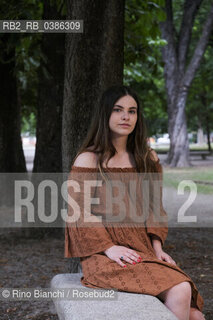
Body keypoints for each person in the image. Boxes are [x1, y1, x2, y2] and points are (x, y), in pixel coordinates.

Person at [65, 85, 205, 320]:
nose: (125, 117)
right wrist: (109, 248)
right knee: (181, 289)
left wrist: (157, 248)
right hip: (103, 256)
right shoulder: (89, 159)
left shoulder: (146, 158)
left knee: (196, 316)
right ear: (105, 114)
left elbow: (154, 209)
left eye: (132, 111)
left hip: (142, 249)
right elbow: (78, 213)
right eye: (118, 110)